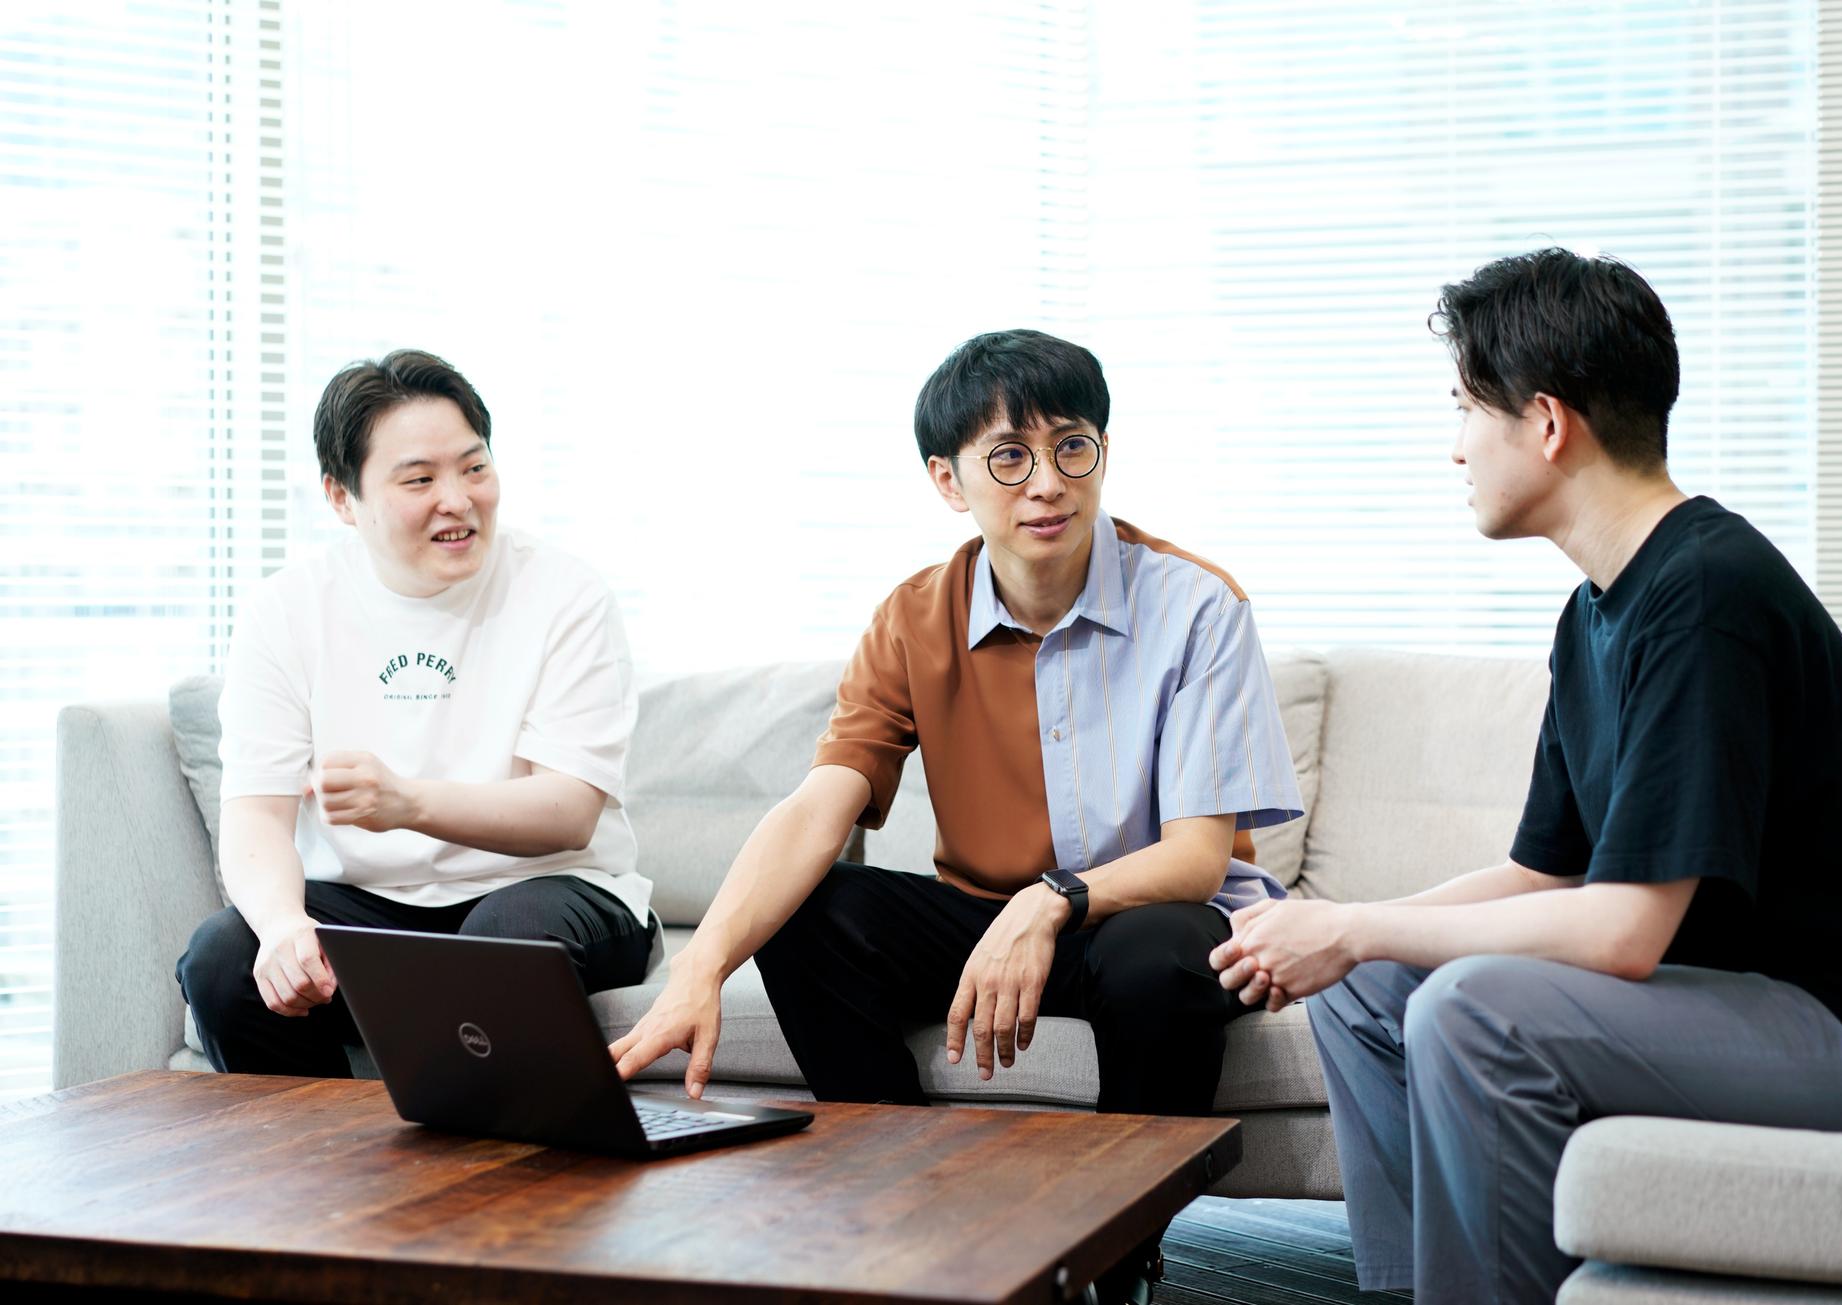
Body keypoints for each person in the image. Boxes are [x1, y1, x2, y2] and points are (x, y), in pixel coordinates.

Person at [1209, 248, 1842, 1303]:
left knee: (1470, 1009)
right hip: (1744, 1003)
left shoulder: (1706, 595)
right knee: (1361, 988)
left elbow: (1622, 932)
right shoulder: (1594, 611)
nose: (1454, 448)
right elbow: (1542, 873)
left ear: (1548, 424)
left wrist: (1358, 926)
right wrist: (1339, 929)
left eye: (1466, 410)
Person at [610, 328, 1303, 1302]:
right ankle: (916, 1201)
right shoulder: (913, 617)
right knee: (811, 914)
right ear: (948, 480)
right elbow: (817, 808)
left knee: (1157, 958)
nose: (1048, 484)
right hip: (989, 928)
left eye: (1072, 447)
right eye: (1009, 457)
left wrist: (1048, 901)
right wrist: (701, 967)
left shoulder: (1197, 607)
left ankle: (1117, 1257)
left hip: (1153, 918)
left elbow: (1194, 860)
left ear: (1103, 452)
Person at [177, 349, 653, 1077]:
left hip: (552, 891)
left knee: (503, 940)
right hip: (370, 906)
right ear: (342, 498)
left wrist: (405, 803)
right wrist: (281, 926)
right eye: (420, 479)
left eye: (474, 467)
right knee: (223, 959)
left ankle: (487, 1153)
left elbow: (568, 813)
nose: (457, 499)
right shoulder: (287, 610)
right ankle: (330, 1144)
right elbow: (256, 819)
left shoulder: (564, 594)